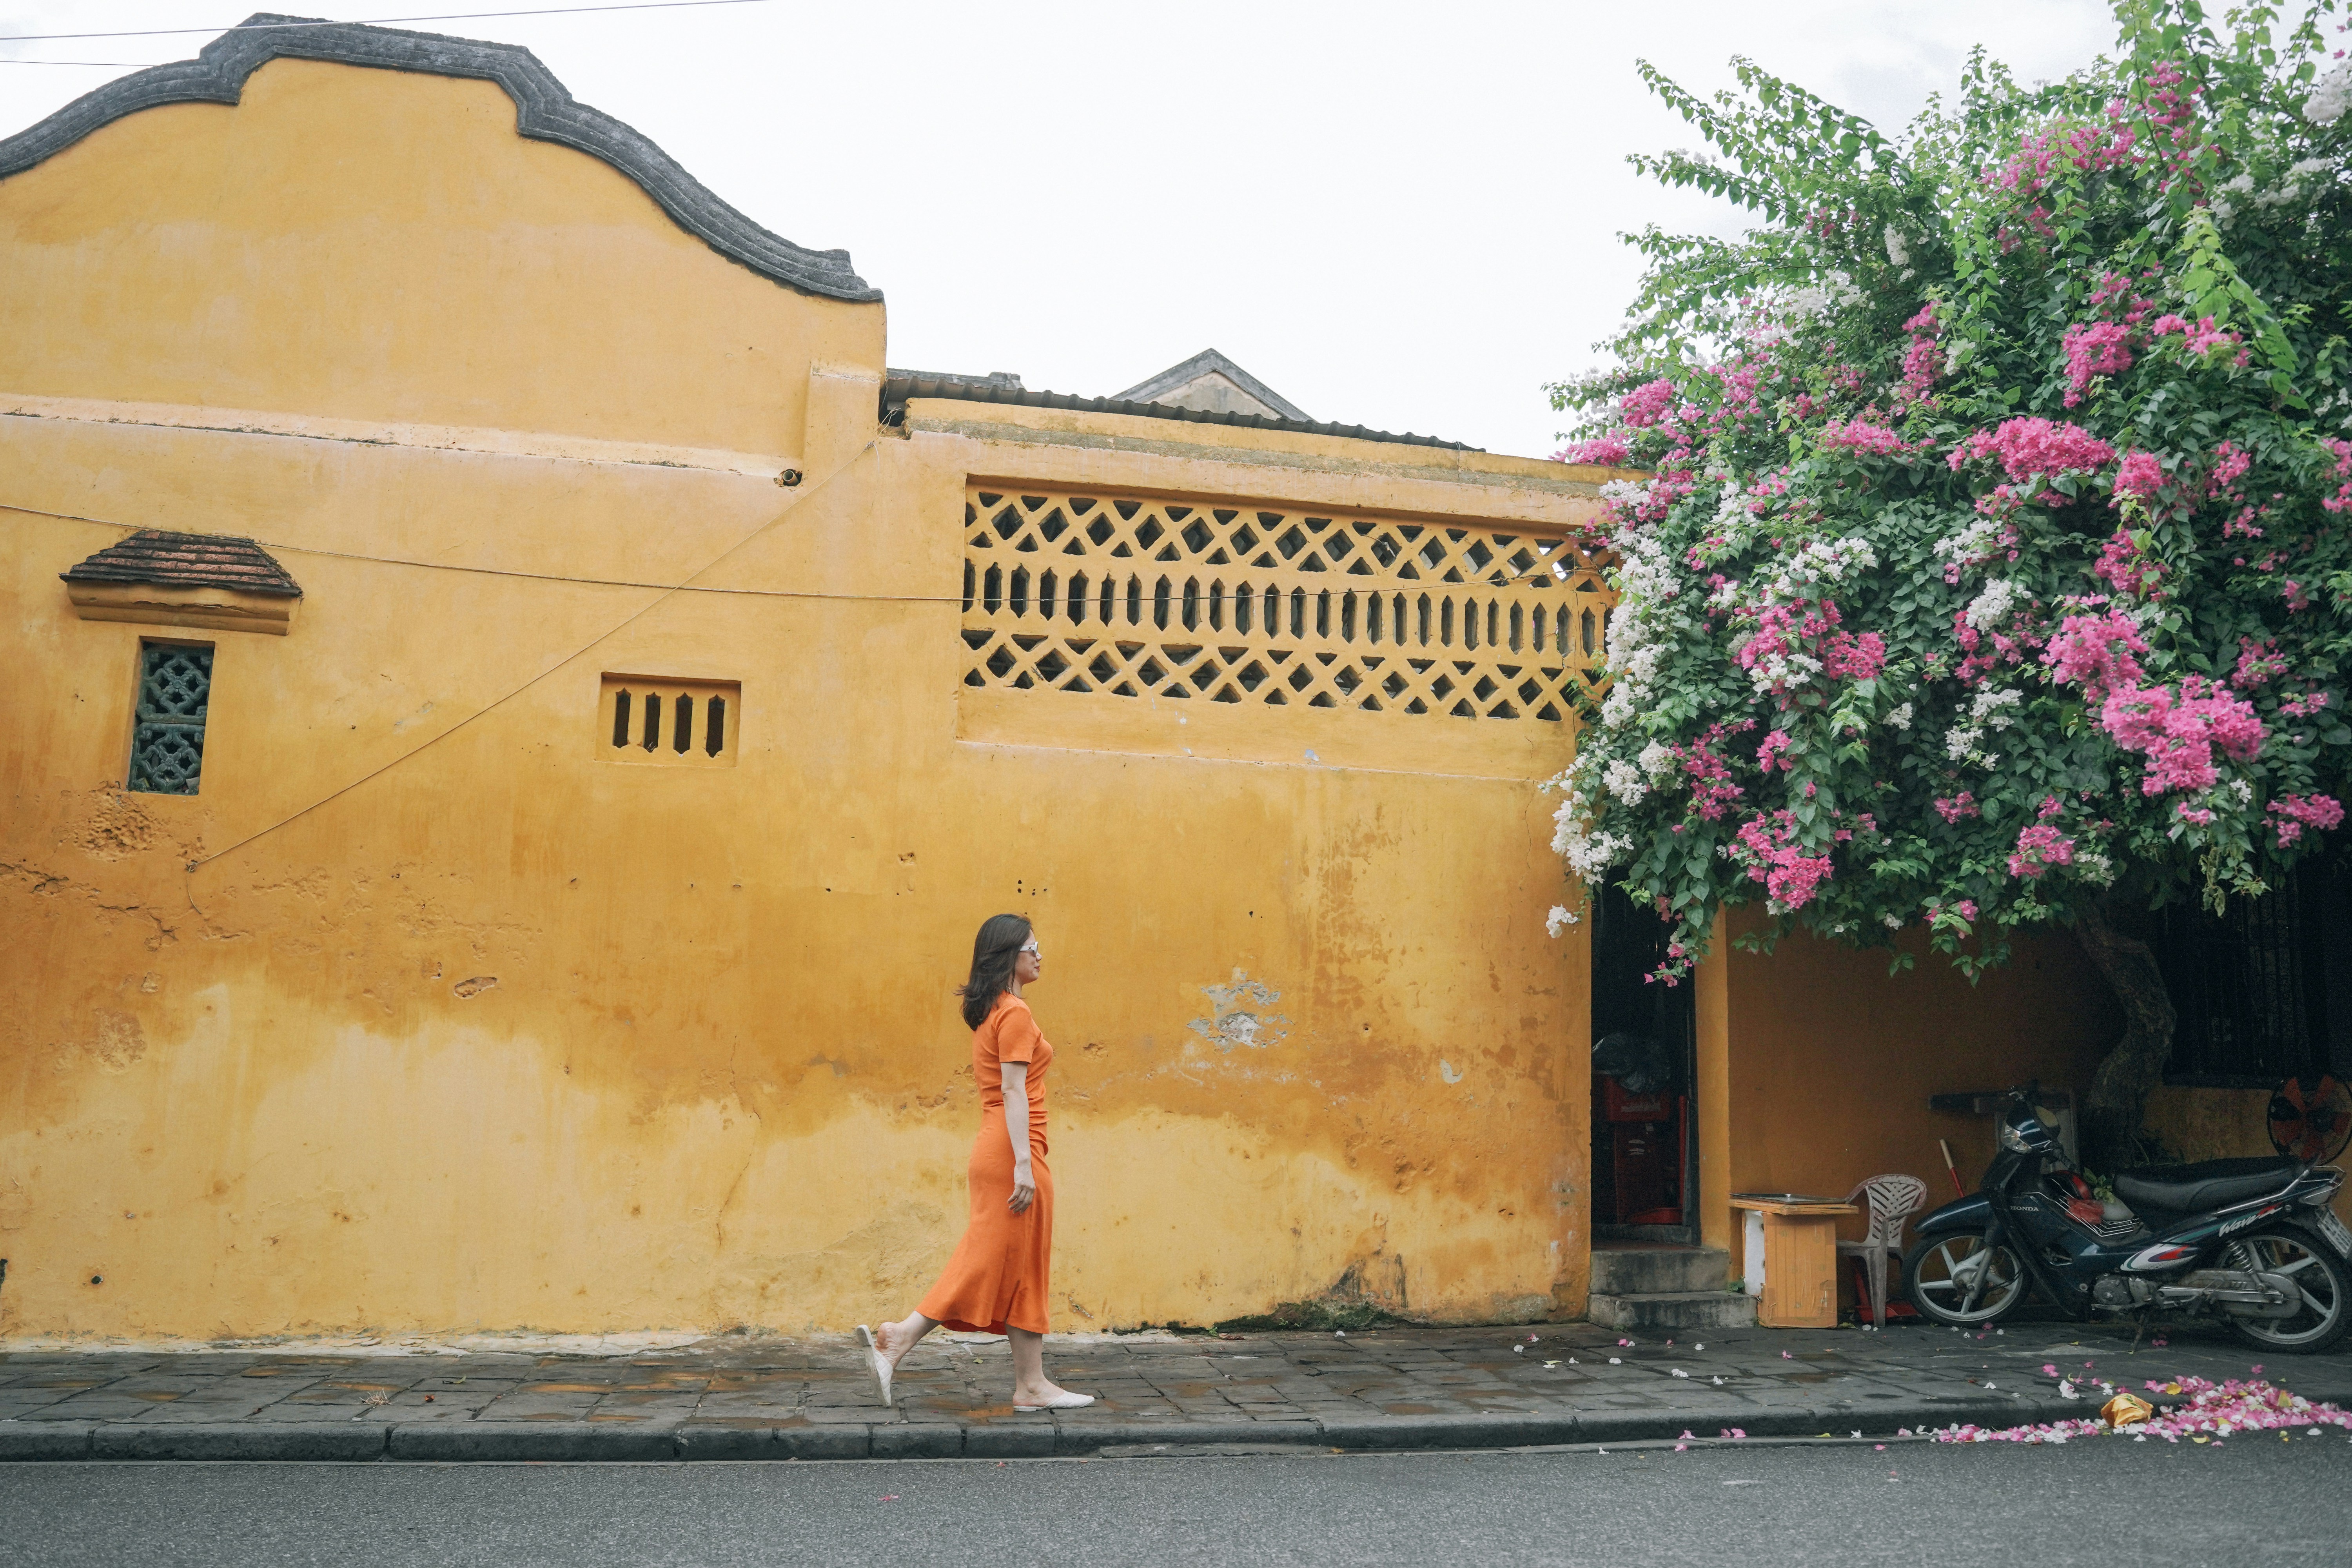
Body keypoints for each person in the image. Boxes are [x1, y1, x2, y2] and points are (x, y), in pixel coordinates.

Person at [858, 915, 1093, 1412]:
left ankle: (1031, 1386)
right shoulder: (1015, 1014)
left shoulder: (996, 1012)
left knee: (1023, 1266)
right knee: (986, 1258)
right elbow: (1012, 1090)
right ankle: (900, 1336)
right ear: (1010, 954)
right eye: (1034, 946)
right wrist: (1025, 1165)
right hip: (1012, 1151)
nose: (1041, 954)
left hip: (1005, 1148)